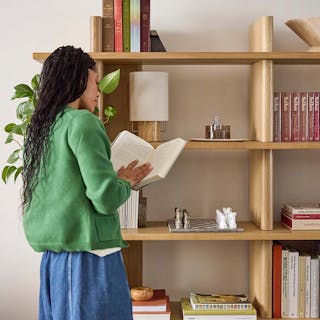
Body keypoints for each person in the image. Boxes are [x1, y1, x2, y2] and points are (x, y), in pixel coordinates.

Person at [22, 45, 152, 320]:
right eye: (95, 83)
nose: (98, 91)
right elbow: (104, 199)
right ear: (79, 82)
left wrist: (114, 178)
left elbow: (67, 187)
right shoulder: (84, 123)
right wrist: (125, 183)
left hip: (55, 261)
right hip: (89, 259)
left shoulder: (44, 127)